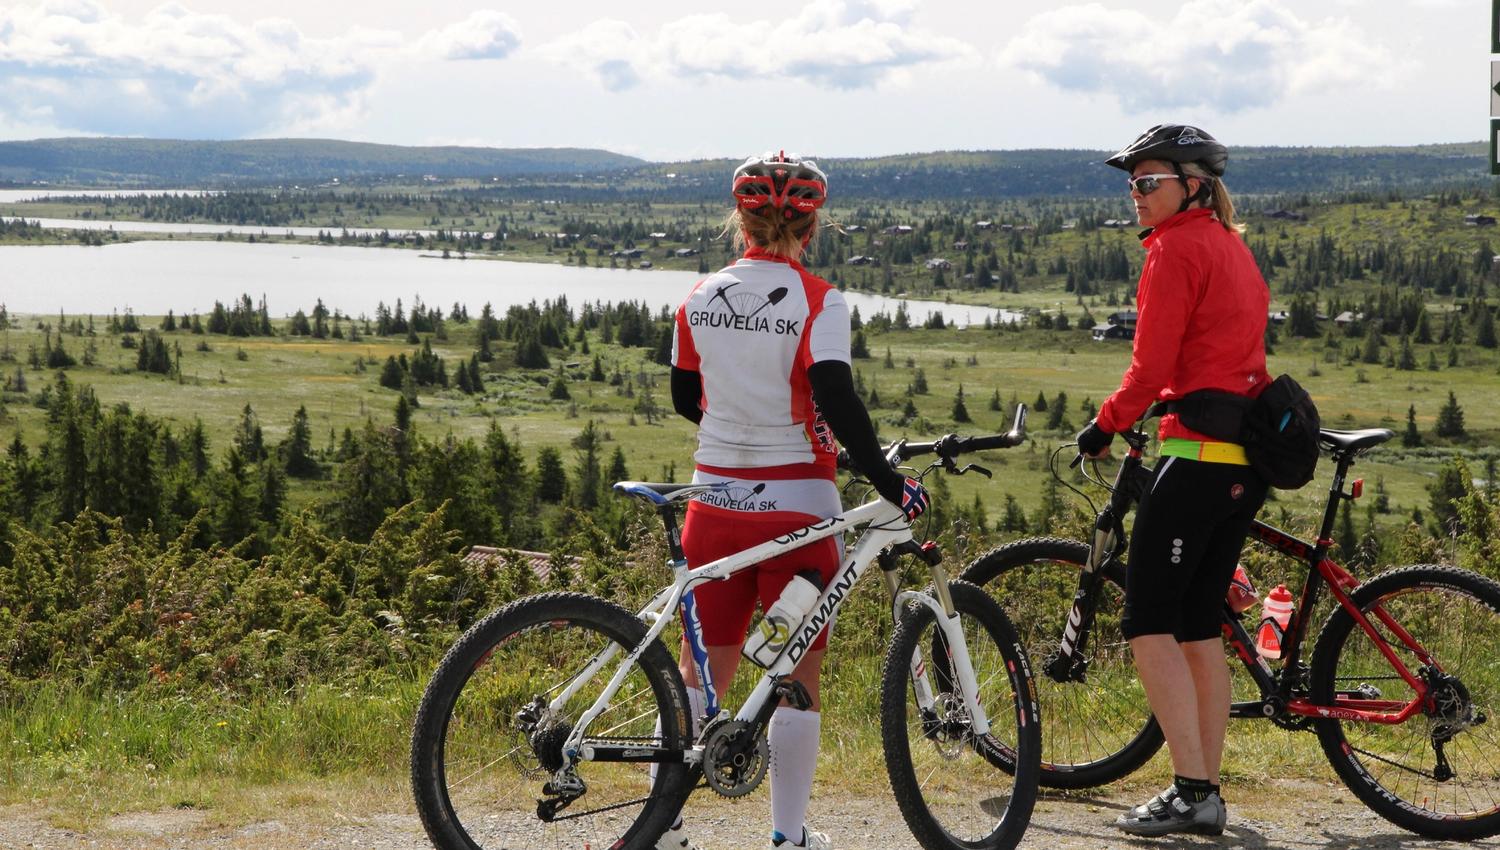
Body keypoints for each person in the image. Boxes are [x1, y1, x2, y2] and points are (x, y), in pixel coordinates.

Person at [659, 151, 929, 850]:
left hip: (714, 502)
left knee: (702, 675)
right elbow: (836, 396)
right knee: (793, 676)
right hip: (800, 512)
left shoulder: (698, 296)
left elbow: (686, 398)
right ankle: (787, 835)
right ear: (811, 227)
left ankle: (666, 827)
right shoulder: (820, 300)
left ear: (740, 220)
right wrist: (888, 481)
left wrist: (741, 435)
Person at [1074, 124, 1271, 837]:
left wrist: (1103, 425)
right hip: (1241, 465)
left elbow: (1150, 368)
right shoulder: (1229, 245)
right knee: (1197, 627)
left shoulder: (1176, 250)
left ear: (1192, 184)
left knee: (1148, 622)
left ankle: (1192, 789)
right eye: (1132, 184)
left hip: (1195, 461)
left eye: (1148, 181)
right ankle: (1204, 789)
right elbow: (1219, 352)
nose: (1136, 195)